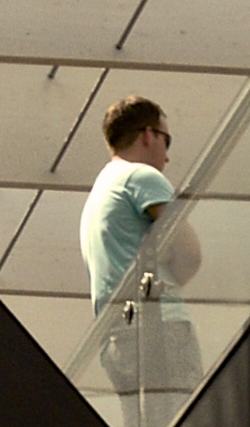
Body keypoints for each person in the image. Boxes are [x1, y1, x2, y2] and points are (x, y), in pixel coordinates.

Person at [78, 98, 201, 316]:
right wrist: (165, 279)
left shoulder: (102, 188)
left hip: (116, 323)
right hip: (161, 319)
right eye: (166, 141)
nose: (167, 157)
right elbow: (190, 253)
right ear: (148, 135)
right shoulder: (141, 176)